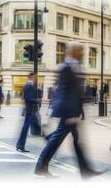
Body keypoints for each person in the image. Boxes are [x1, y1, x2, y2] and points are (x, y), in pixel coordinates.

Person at [34, 42, 104, 179]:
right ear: (73, 52)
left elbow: (77, 92)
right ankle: (42, 166)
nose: (83, 54)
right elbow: (64, 93)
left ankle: (85, 171)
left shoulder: (75, 67)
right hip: (68, 113)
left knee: (72, 141)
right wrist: (70, 114)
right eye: (81, 51)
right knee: (59, 140)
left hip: (72, 112)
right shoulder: (65, 67)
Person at [16, 72, 42, 152]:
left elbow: (36, 95)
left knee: (36, 127)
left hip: (32, 110)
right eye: (35, 77)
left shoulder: (32, 86)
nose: (36, 78)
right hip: (30, 110)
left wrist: (38, 90)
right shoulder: (27, 85)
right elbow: (27, 98)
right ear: (31, 77)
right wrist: (37, 101)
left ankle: (20, 145)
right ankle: (20, 145)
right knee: (26, 128)